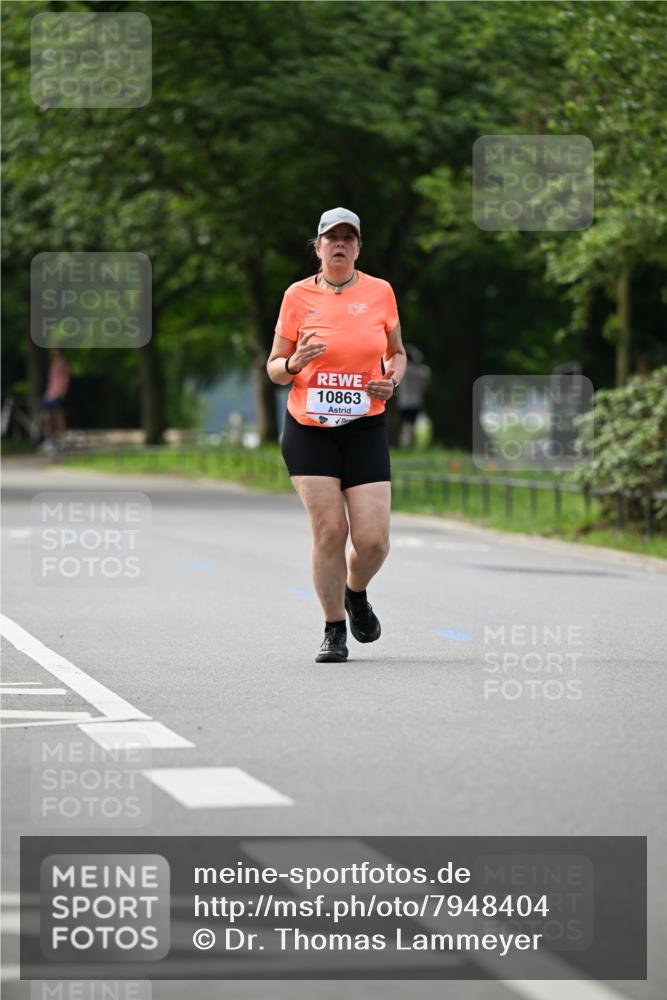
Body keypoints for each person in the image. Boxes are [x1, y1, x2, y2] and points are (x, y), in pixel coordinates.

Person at [267, 207, 406, 663]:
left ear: (359, 246)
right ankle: (333, 628)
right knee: (330, 530)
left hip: (365, 424)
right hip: (310, 429)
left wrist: (392, 379)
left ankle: (356, 591)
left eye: (349, 238)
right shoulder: (296, 296)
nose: (340, 244)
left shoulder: (381, 293)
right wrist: (295, 363)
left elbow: (397, 353)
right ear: (319, 245)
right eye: (332, 237)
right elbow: (274, 369)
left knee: (372, 542)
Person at [40, 347, 70, 452]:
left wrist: (63, 392)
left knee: (59, 418)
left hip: (58, 393)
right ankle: (50, 440)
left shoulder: (63, 362)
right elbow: (50, 379)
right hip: (50, 394)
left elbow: (66, 378)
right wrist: (47, 392)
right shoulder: (53, 363)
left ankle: (61, 440)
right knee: (46, 418)